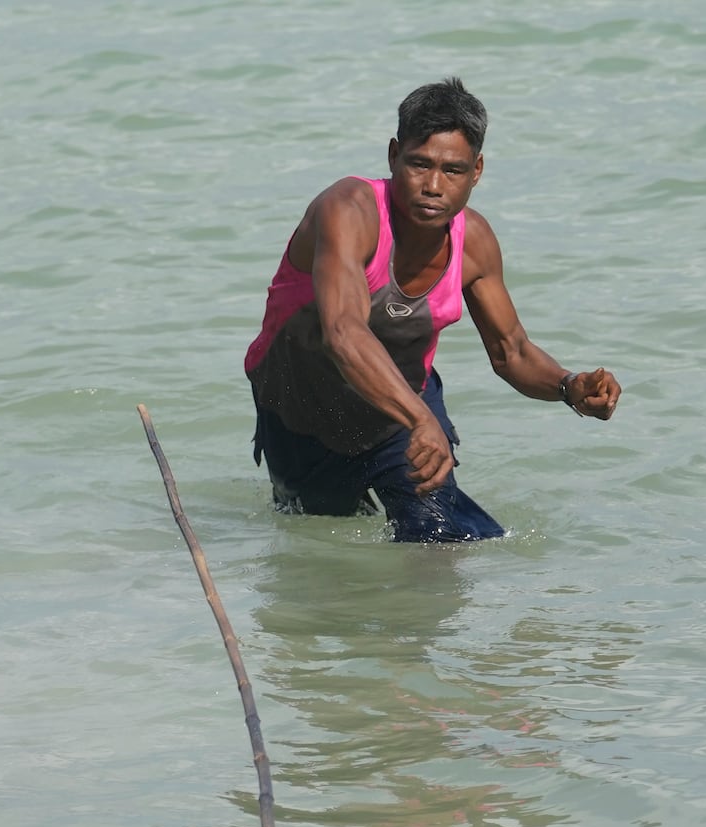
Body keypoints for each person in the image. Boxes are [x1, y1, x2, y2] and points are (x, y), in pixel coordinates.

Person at [245, 77, 621, 543]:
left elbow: (512, 352)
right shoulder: (349, 210)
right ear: (392, 156)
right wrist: (420, 419)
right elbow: (344, 332)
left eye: (453, 170)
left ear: (477, 170)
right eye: (419, 165)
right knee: (319, 555)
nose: (433, 186)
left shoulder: (475, 243)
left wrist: (568, 386)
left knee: (437, 540)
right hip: (299, 413)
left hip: (399, 415)